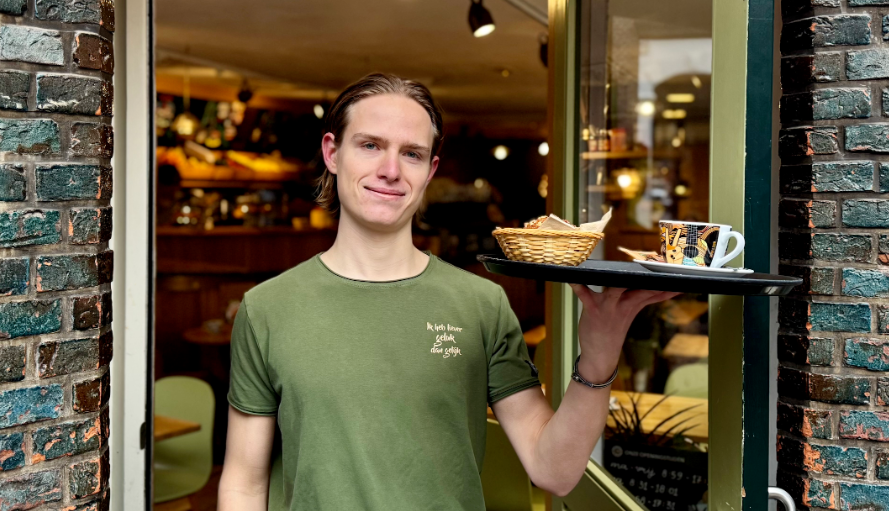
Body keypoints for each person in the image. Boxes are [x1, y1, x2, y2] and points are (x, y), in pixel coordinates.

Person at [217, 73, 677, 510]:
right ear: (333, 153)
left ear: (430, 169)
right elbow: (243, 482)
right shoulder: (268, 308)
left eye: (412, 153)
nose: (391, 170)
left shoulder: (481, 304)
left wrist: (598, 353)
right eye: (371, 145)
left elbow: (553, 470)